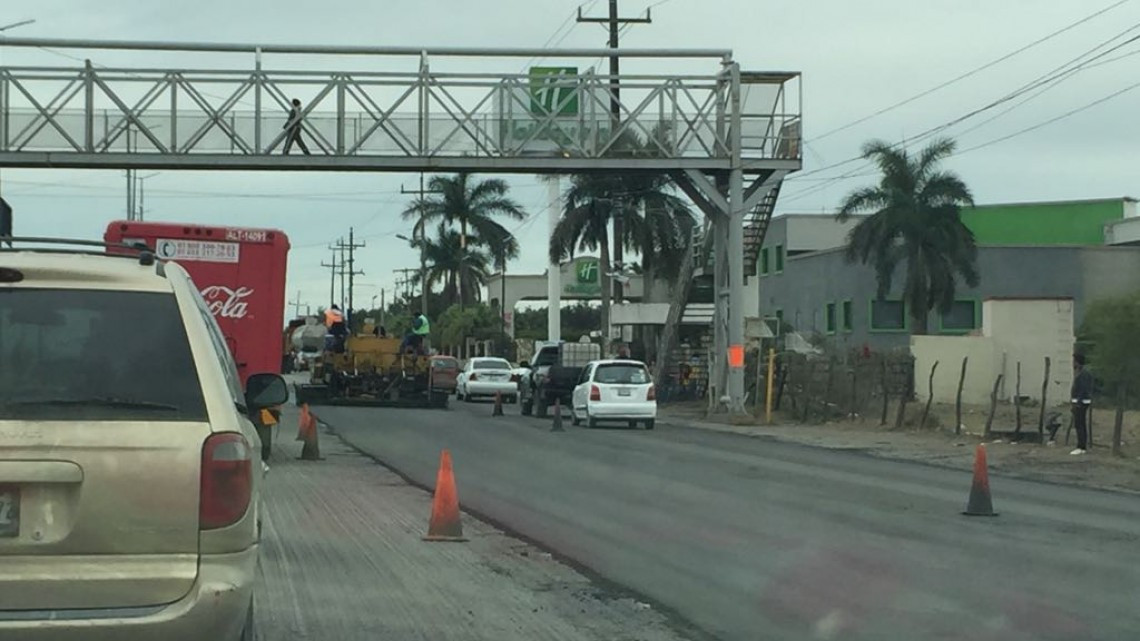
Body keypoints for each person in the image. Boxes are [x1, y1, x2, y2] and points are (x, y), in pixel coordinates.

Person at [1070, 353, 1094, 455]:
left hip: (1081, 402)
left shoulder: (1083, 373)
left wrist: (1078, 402)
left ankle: (1081, 446)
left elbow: (1083, 389)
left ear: (1077, 362)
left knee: (1079, 424)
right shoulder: (1081, 372)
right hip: (1079, 401)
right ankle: (1081, 445)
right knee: (1080, 424)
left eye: (1074, 360)